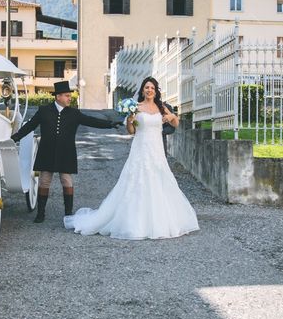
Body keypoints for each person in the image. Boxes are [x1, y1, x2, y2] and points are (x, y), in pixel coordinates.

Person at [64, 76, 199, 239]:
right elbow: (131, 131)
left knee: (161, 180)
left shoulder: (161, 107)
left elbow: (176, 123)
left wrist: (170, 117)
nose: (149, 90)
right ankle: (135, 222)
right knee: (137, 181)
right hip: (141, 149)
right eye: (147, 87)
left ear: (156, 91)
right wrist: (130, 119)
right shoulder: (137, 107)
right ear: (142, 90)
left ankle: (161, 220)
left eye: (152, 88)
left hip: (157, 151)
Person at [11, 81, 120, 223]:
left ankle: (68, 213)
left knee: (66, 180)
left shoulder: (74, 113)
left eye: (70, 96)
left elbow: (91, 121)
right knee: (44, 181)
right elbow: (30, 126)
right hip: (47, 151)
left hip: (66, 152)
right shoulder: (44, 110)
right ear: (58, 97)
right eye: (67, 96)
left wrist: (110, 124)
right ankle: (41, 213)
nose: (70, 98)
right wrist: (15, 138)